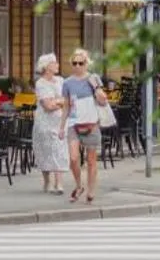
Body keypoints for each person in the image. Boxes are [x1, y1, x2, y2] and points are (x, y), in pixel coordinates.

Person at [64, 49, 109, 204]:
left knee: (91, 161)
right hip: (74, 123)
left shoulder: (93, 78)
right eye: (74, 63)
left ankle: (91, 190)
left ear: (86, 63)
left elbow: (103, 99)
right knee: (74, 158)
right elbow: (65, 106)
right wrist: (61, 126)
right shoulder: (67, 82)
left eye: (81, 63)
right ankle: (78, 185)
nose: (77, 66)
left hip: (91, 123)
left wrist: (97, 89)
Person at [32, 53, 71, 194]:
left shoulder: (61, 81)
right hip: (45, 123)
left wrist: (59, 101)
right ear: (47, 66)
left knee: (59, 150)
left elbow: (69, 99)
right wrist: (60, 101)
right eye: (54, 63)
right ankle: (47, 181)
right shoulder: (40, 83)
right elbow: (47, 106)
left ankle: (59, 183)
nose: (57, 65)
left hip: (60, 122)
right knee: (46, 151)